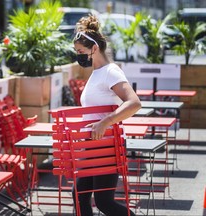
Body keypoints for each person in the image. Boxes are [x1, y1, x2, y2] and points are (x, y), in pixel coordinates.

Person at [73, 15, 141, 216]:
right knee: (80, 195)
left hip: (107, 145)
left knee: (104, 202)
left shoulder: (111, 71)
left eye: (80, 51)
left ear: (94, 49)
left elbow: (134, 102)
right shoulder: (96, 73)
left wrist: (105, 122)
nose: (78, 56)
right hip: (93, 145)